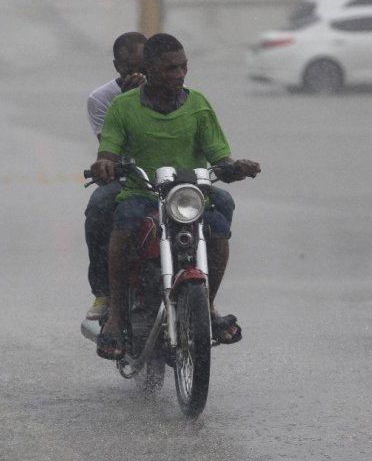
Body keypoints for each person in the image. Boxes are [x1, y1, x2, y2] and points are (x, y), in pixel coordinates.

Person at [90, 33, 260, 360]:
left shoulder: (198, 104)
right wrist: (105, 163)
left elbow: (219, 155)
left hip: (189, 197)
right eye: (170, 69)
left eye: (183, 67)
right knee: (123, 224)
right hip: (142, 194)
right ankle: (115, 314)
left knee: (219, 224)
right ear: (149, 69)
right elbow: (108, 148)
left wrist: (235, 167)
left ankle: (207, 305)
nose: (179, 75)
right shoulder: (122, 107)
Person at [84, 32, 147, 320]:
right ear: (116, 66)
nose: (136, 74)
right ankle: (103, 292)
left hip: (171, 176)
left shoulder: (175, 90)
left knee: (215, 210)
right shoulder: (101, 99)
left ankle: (202, 296)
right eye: (127, 68)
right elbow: (110, 148)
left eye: (143, 67)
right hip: (129, 176)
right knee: (98, 208)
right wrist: (130, 101)